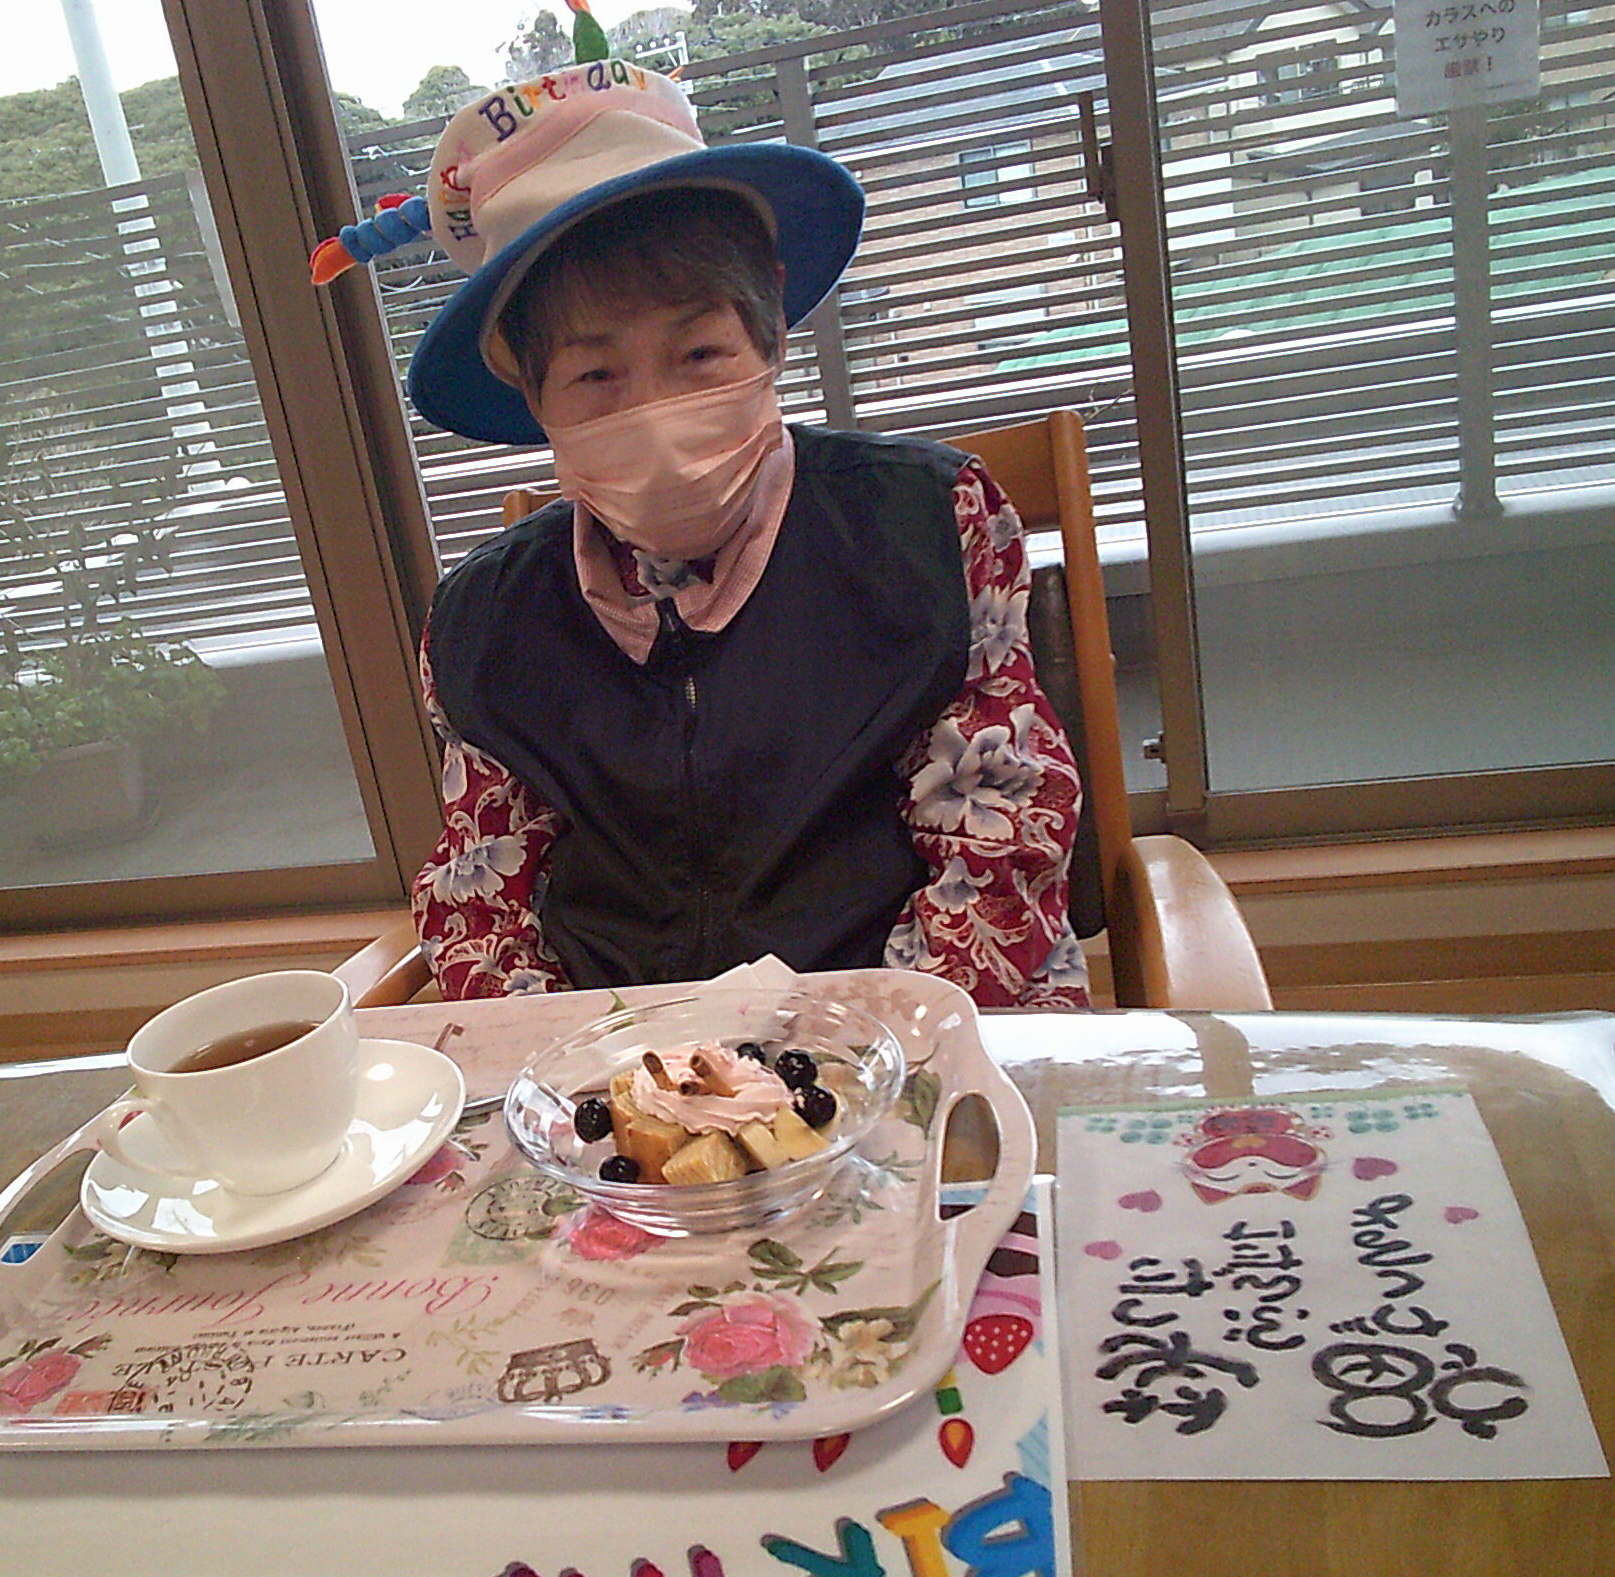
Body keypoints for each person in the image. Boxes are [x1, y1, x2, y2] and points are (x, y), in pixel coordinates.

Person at [313, 19, 1087, 1011]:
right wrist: (597, 1073)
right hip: (614, 1062)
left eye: (700, 355)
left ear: (767, 331)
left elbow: (1000, 833)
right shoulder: (483, 624)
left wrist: (849, 1064)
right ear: (529, 393)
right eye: (594, 376)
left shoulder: (932, 524)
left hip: (897, 1025)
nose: (656, 414)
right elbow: (479, 903)